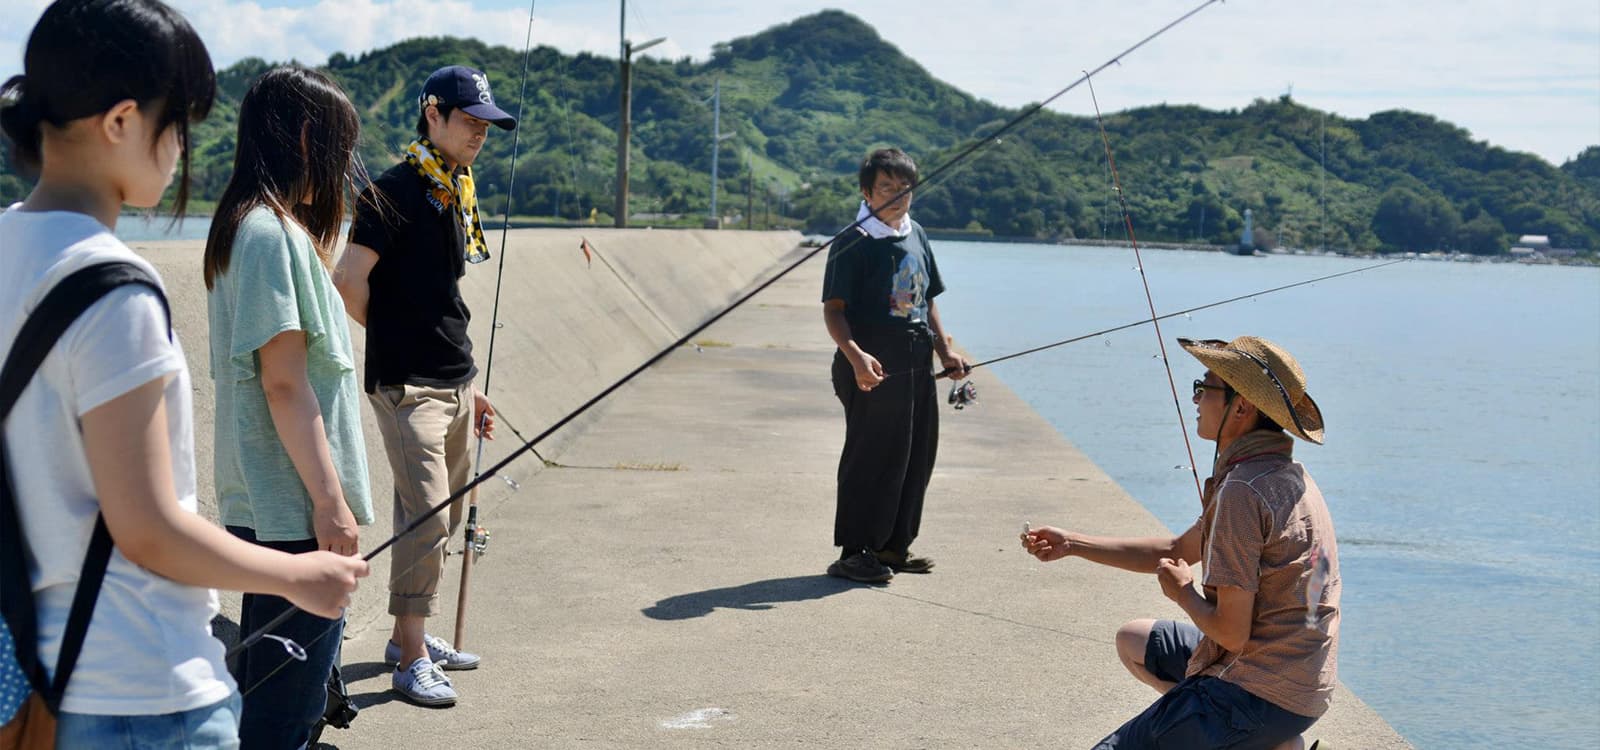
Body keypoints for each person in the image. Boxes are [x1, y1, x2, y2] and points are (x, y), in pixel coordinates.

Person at [0, 1, 367, 747]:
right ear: (122, 122)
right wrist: (297, 576)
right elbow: (148, 530)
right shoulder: (113, 289)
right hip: (140, 677)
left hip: (40, 661)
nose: (182, 152)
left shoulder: (9, 246)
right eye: (180, 126)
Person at [1022, 336, 1340, 750]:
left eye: (1204, 387)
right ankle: (1265, 744)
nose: (1196, 399)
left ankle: (1246, 737)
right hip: (1306, 685)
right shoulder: (1282, 473)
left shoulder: (1244, 492)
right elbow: (1174, 549)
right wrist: (1073, 544)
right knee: (1135, 640)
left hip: (1260, 692)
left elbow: (1232, 634)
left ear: (1240, 407)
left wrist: (1183, 593)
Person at [202, 65, 375, 748]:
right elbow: (283, 383)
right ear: (307, 137)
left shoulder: (249, 227)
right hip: (295, 512)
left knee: (279, 694)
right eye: (341, 143)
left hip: (275, 503)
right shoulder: (270, 235)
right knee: (282, 717)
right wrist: (330, 505)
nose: (347, 163)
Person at [333, 64, 512, 707]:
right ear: (431, 114)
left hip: (456, 383)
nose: (479, 133)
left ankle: (408, 637)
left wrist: (471, 386)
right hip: (408, 385)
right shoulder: (394, 191)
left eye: (486, 123)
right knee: (428, 517)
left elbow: (442, 299)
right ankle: (411, 659)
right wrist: (400, 344)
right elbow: (348, 284)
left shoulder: (454, 187)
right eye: (469, 120)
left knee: (445, 511)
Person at [820, 147, 970, 583]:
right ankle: (854, 551)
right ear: (867, 192)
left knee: (915, 455)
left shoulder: (916, 233)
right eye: (886, 187)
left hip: (915, 359)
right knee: (871, 457)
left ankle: (892, 546)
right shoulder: (854, 240)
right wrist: (856, 358)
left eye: (905, 189)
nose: (897, 196)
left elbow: (928, 299)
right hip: (869, 362)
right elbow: (833, 311)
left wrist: (946, 352)